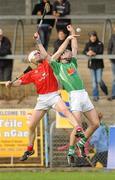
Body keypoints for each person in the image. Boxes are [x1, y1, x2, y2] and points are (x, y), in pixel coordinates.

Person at [6, 34, 85, 161]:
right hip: (42, 99)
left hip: (53, 95)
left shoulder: (48, 64)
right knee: (31, 125)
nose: (38, 54)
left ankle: (78, 129)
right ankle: (29, 149)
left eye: (38, 53)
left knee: (65, 111)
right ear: (31, 60)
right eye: (36, 54)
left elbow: (59, 51)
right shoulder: (31, 74)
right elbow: (19, 83)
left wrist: (68, 39)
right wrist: (10, 84)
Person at [50, 25, 100, 159]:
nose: (68, 52)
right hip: (75, 96)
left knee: (95, 123)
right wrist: (66, 40)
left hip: (84, 94)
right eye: (65, 52)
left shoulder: (73, 62)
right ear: (61, 56)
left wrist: (72, 33)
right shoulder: (57, 66)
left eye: (68, 51)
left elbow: (75, 48)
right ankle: (71, 150)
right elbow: (56, 54)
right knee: (77, 126)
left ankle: (81, 143)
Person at [83, 31, 108, 101]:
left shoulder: (100, 43)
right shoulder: (88, 44)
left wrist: (94, 53)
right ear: (89, 37)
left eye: (94, 36)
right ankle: (95, 96)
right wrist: (87, 53)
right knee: (94, 81)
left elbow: (100, 51)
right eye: (91, 36)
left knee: (99, 80)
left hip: (99, 65)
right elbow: (84, 51)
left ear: (96, 36)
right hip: (91, 65)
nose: (93, 38)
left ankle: (105, 89)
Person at [107, 30, 115, 100]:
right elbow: (109, 49)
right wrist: (111, 58)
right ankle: (113, 94)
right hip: (114, 62)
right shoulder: (112, 37)